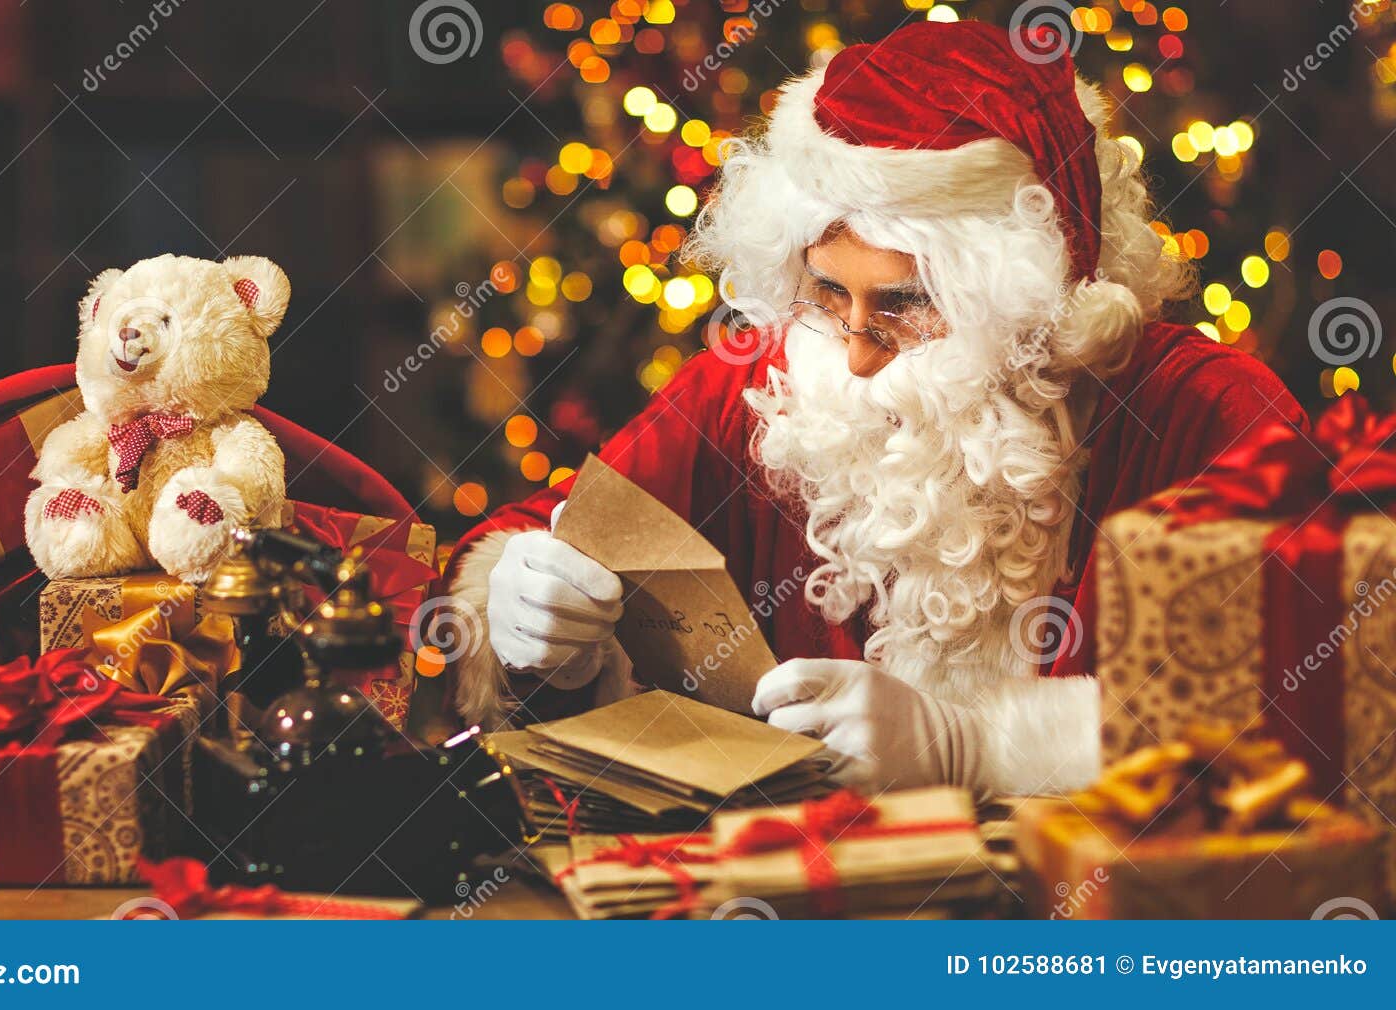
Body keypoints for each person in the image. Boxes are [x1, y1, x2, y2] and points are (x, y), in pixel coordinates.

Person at [440, 21, 1305, 798]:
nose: (854, 349)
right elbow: (546, 538)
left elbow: (1318, 704)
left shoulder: (1205, 411)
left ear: (1023, 299)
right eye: (825, 291)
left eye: (904, 303)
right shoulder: (768, 379)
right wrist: (523, 603)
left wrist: (980, 746)